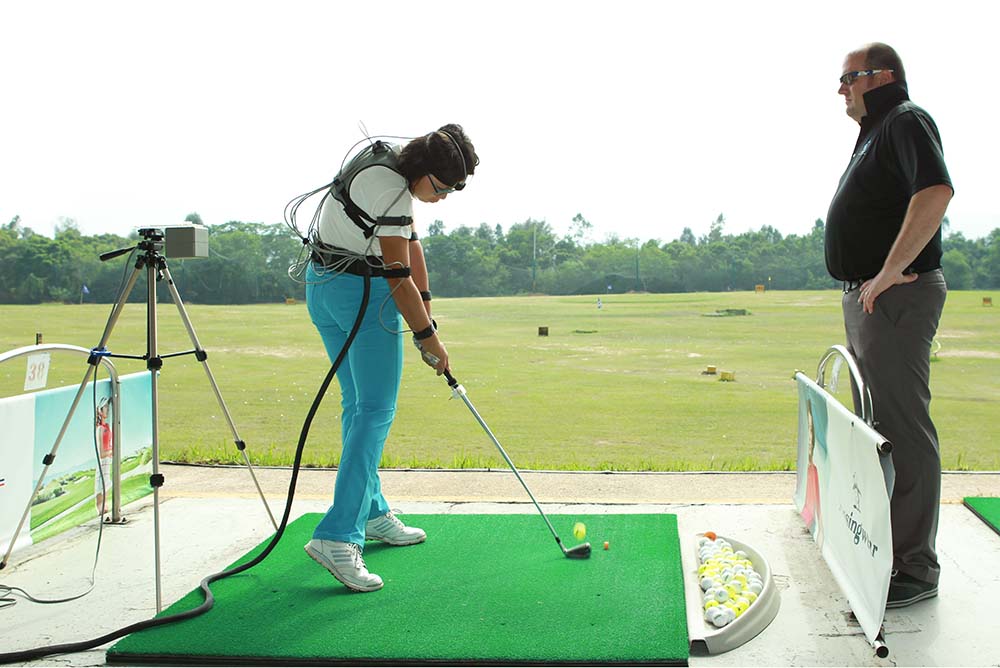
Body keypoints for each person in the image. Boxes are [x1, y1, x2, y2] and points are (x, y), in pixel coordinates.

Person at [302, 125, 479, 593]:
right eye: (440, 189)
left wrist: (428, 308)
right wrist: (428, 337)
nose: (440, 198)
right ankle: (338, 535)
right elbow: (396, 275)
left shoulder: (386, 163)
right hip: (361, 295)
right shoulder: (393, 191)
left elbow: (411, 246)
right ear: (422, 173)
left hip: (323, 287)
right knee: (376, 411)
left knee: (358, 406)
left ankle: (373, 510)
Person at [825, 43, 953, 608]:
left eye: (849, 77)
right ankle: (889, 549)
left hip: (894, 299)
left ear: (884, 77)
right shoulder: (876, 132)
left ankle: (915, 567)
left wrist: (889, 270)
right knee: (879, 429)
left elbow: (935, 191)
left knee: (902, 428)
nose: (841, 88)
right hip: (871, 299)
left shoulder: (904, 119)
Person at [93, 396, 113, 517]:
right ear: (100, 411)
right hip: (103, 460)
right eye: (105, 407)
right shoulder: (100, 429)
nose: (107, 409)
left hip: (107, 459)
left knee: (106, 481)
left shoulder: (107, 427)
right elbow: (101, 452)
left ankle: (103, 504)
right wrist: (111, 452)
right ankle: (99, 506)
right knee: (100, 482)